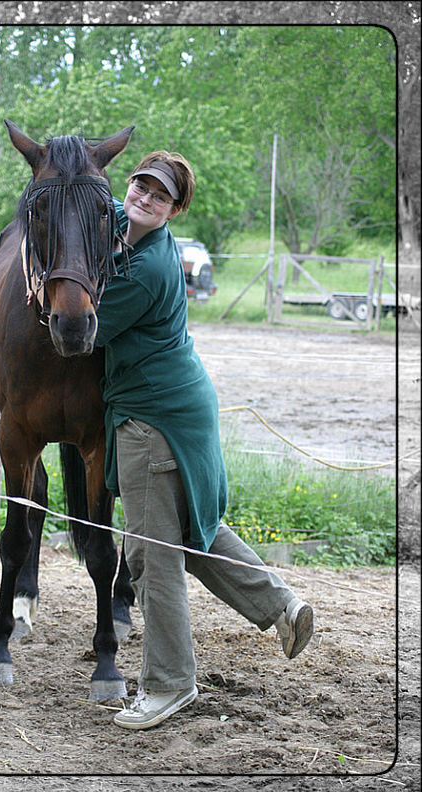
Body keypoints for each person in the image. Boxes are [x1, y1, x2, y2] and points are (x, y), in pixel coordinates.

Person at [94, 151, 313, 731]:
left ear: (174, 209)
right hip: (185, 401)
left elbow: (85, 328)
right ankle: (281, 603)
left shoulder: (147, 270)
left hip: (152, 418)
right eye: (140, 185)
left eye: (159, 196)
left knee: (151, 554)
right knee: (195, 525)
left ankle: (168, 685)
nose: (143, 198)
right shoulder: (127, 226)